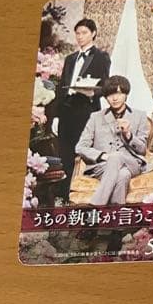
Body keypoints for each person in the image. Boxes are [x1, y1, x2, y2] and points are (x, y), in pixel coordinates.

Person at [53, 18, 111, 203]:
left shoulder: (101, 57)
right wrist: (56, 116)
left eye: (84, 33)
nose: (80, 37)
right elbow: (61, 87)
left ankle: (84, 196)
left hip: (86, 110)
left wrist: (92, 93)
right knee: (65, 153)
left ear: (93, 33)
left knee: (84, 151)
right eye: (77, 33)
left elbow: (105, 85)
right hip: (66, 110)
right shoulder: (70, 58)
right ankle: (65, 195)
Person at [75, 76, 149, 206]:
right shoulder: (96, 117)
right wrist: (103, 156)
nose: (114, 98)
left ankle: (96, 206)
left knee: (117, 157)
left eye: (118, 93)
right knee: (122, 175)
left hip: (131, 163)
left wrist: (128, 134)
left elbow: (142, 150)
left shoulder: (140, 116)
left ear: (126, 94)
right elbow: (80, 147)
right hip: (102, 166)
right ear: (105, 97)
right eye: (110, 95)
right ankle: (116, 215)